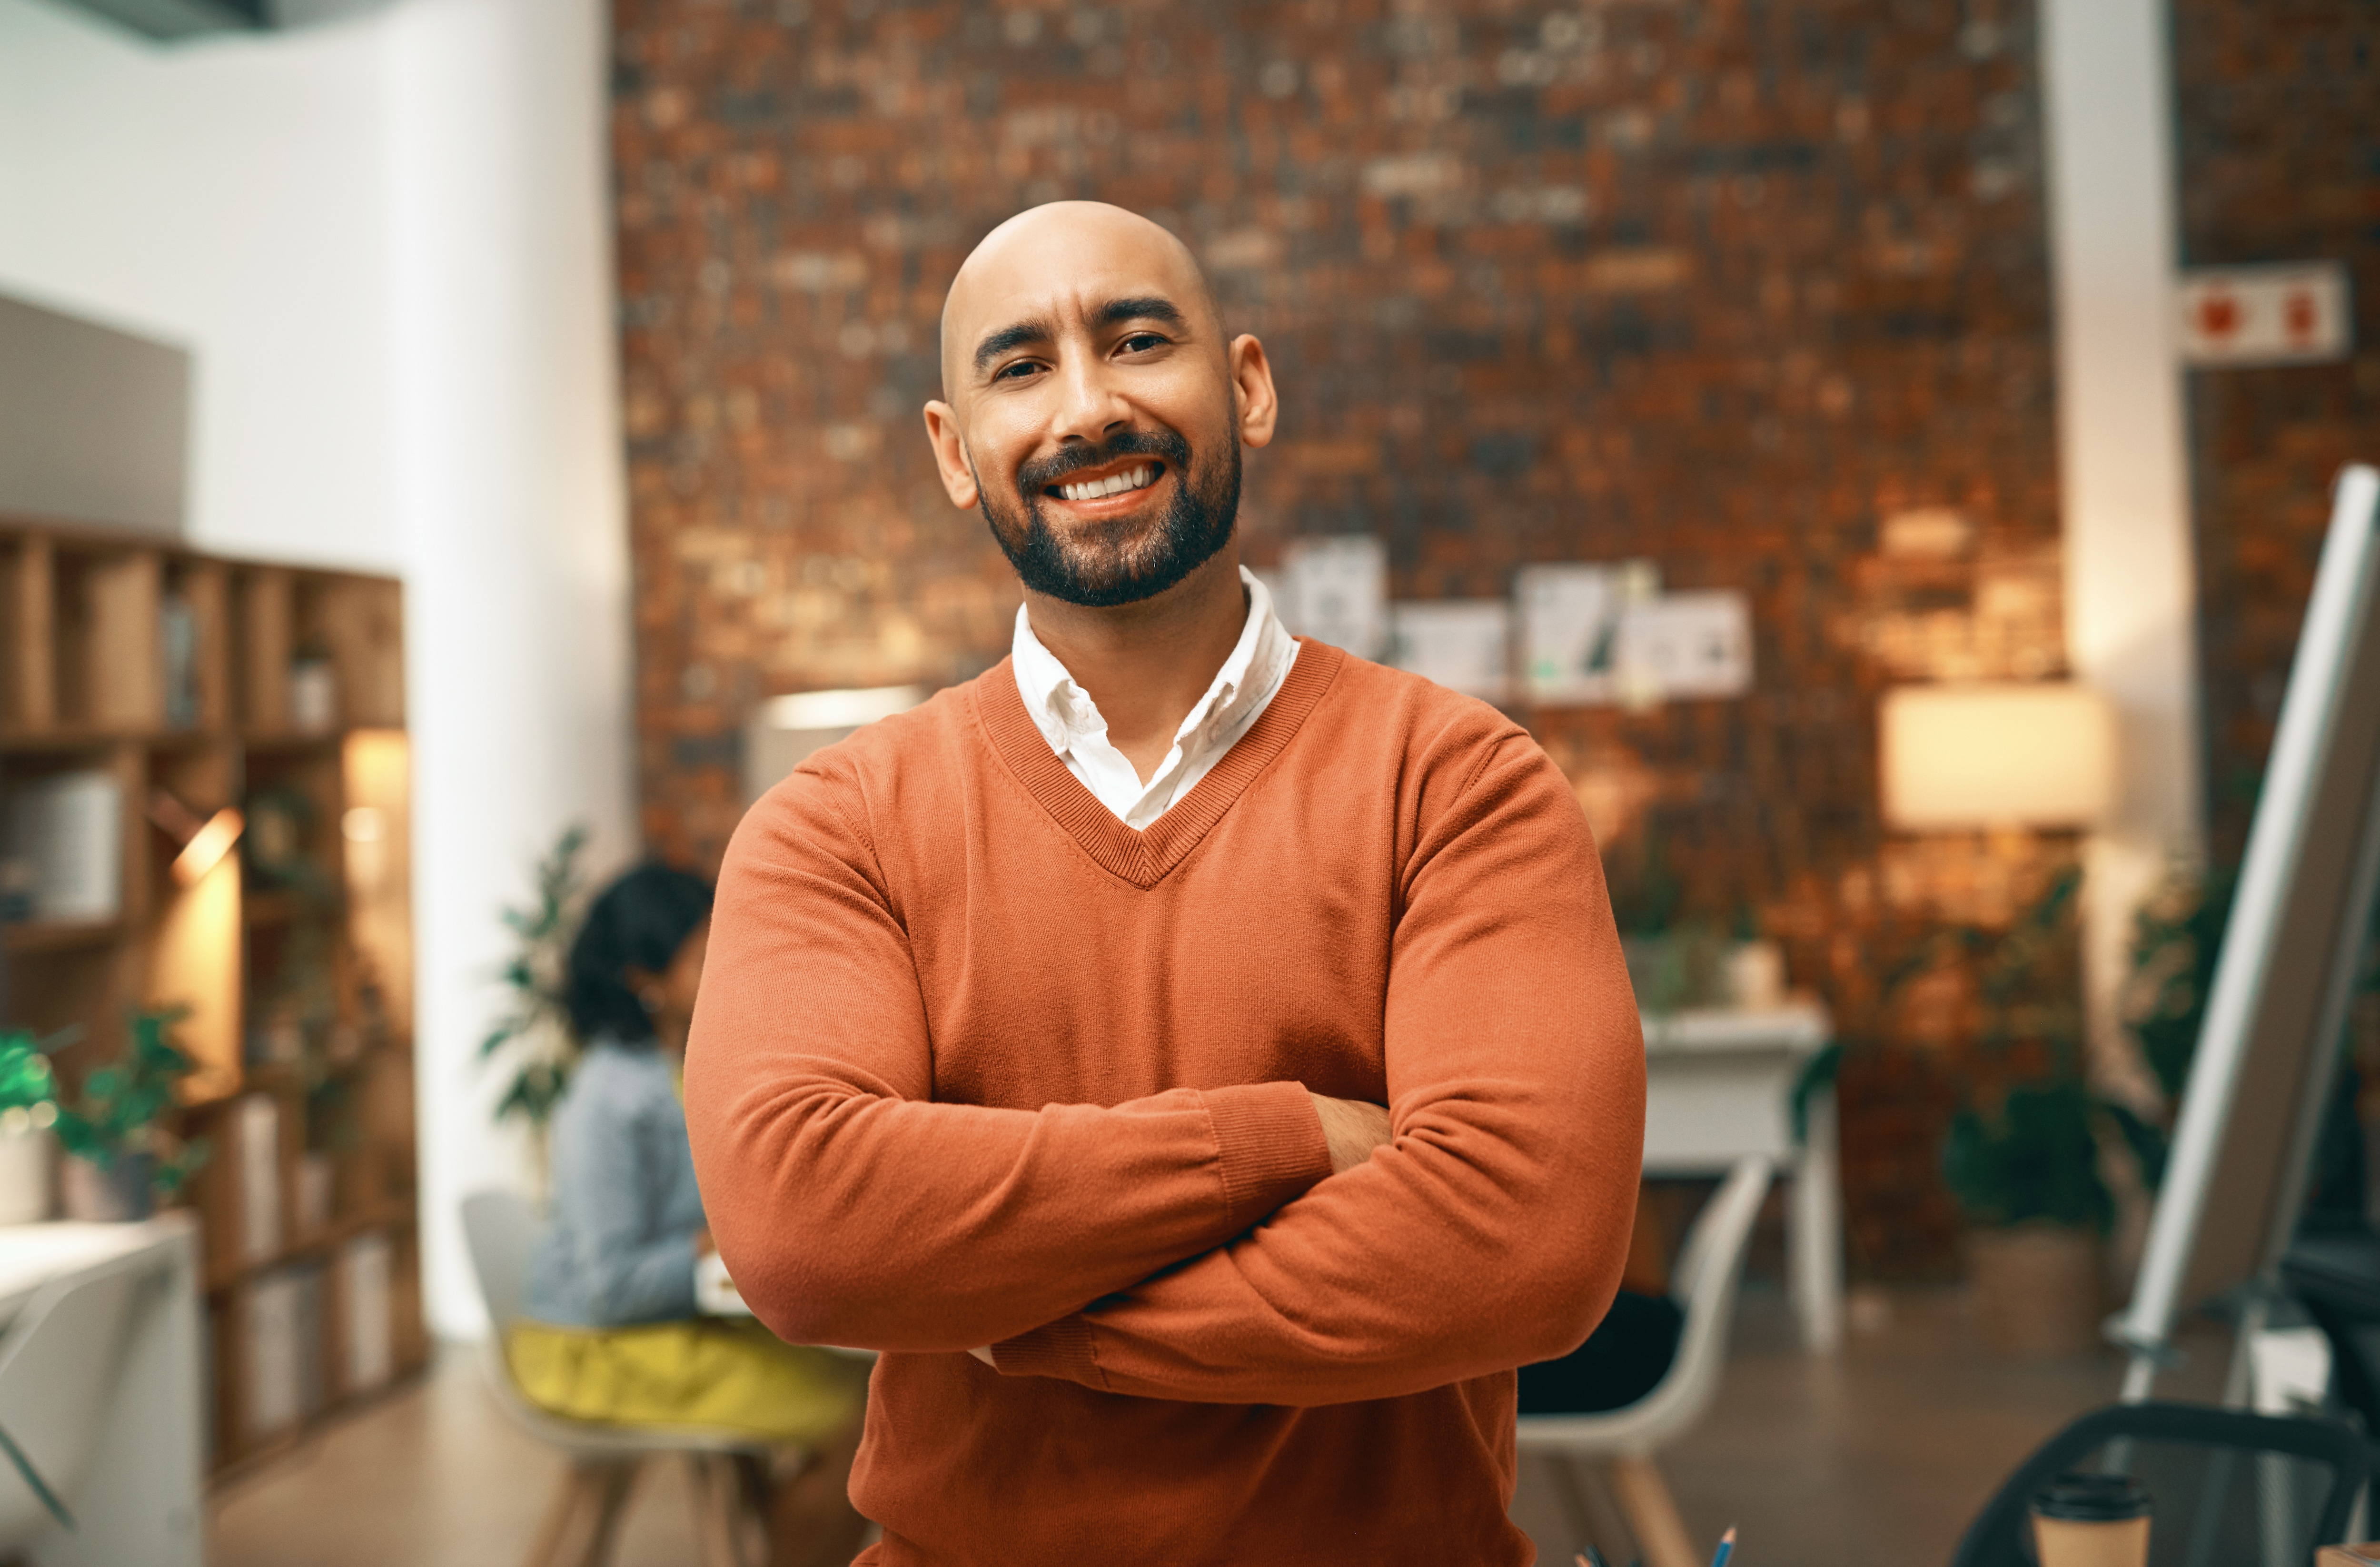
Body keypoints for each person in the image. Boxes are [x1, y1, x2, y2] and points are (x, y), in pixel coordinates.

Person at [685, 201, 1646, 1565]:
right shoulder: (836, 827)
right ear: (957, 455)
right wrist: (1288, 1141)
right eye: (1021, 367)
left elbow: (1526, 1240)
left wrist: (1012, 1307)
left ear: (1245, 386)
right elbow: (802, 1220)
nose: (1088, 406)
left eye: (1137, 339)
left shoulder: (1458, 781)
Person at [513, 863, 872, 1567]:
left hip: (666, 1330)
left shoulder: (687, 1065)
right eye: (705, 955)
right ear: (644, 981)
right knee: (860, 1415)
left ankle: (770, 1542)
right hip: (599, 1350)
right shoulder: (607, 1099)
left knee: (861, 1393)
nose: (731, 966)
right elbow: (611, 1288)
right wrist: (715, 1247)